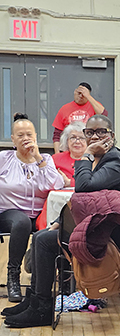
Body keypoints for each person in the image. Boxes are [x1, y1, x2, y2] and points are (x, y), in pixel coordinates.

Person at [3, 114, 120, 328]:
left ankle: (42, 308)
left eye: (101, 132)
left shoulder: (114, 161)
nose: (94, 137)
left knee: (44, 242)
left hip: (110, 237)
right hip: (97, 228)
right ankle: (34, 300)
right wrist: (58, 221)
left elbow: (83, 187)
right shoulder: (102, 159)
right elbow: (82, 200)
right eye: (89, 132)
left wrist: (85, 155)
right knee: (41, 235)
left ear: (111, 136)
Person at [0, 113, 63, 302]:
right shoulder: (4, 158)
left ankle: (41, 287)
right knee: (21, 222)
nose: (25, 138)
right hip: (9, 213)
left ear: (35, 137)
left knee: (57, 225)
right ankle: (13, 276)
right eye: (20, 135)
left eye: (29, 134)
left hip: (40, 214)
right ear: (13, 139)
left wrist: (37, 157)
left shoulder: (45, 159)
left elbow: (56, 184)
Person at [52, 82, 107, 152]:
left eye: (83, 94)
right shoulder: (64, 108)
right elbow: (57, 135)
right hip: (70, 148)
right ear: (75, 92)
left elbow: (104, 115)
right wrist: (57, 154)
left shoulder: (94, 106)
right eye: (79, 93)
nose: (81, 96)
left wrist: (88, 96)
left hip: (89, 148)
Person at [51, 122, 88, 187]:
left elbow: (95, 182)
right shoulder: (55, 159)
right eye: (73, 137)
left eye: (82, 138)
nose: (77, 142)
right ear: (66, 140)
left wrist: (70, 183)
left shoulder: (93, 160)